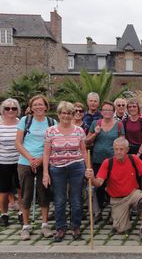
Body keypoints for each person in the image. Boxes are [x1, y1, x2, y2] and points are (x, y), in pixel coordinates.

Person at [85, 137, 142, 242]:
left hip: (133, 193)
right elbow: (98, 183)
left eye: (121, 149)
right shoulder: (107, 162)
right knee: (121, 229)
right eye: (116, 149)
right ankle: (124, 216)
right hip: (117, 199)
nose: (118, 152)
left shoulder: (133, 159)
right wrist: (92, 178)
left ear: (127, 150)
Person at [42, 102, 87, 242]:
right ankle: (60, 228)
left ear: (73, 115)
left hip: (76, 167)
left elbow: (84, 151)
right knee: (59, 200)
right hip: (57, 169)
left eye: (69, 113)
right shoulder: (50, 131)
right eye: (63, 113)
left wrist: (88, 168)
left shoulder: (79, 131)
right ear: (59, 114)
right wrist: (45, 173)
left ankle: (76, 226)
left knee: (76, 200)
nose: (66, 116)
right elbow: (46, 154)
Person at [15, 95, 56, 240]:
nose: (38, 107)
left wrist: (40, 159)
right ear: (31, 108)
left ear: (46, 106)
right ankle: (25, 226)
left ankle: (45, 224)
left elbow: (54, 145)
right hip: (25, 162)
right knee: (26, 194)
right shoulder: (25, 121)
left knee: (44, 193)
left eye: (41, 104)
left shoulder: (52, 123)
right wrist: (31, 158)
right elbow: (18, 143)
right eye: (35, 105)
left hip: (43, 162)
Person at [86, 100, 125, 223]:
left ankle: (113, 212)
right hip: (98, 160)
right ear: (101, 112)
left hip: (114, 161)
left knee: (113, 187)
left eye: (109, 110)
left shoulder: (119, 125)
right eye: (105, 110)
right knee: (99, 187)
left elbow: (122, 143)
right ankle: (98, 212)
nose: (107, 112)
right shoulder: (95, 123)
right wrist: (95, 133)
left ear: (113, 112)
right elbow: (87, 142)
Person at [0, 99, 21, 227]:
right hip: (3, 161)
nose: (11, 111)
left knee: (21, 189)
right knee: (3, 190)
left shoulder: (22, 123)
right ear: (3, 110)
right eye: (7, 108)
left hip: (20, 161)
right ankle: (4, 214)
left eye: (13, 108)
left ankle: (21, 212)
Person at [123, 99, 142, 164]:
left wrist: (138, 154)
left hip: (140, 151)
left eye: (134, 106)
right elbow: (122, 138)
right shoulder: (125, 121)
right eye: (130, 107)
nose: (132, 108)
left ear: (138, 108)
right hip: (128, 151)